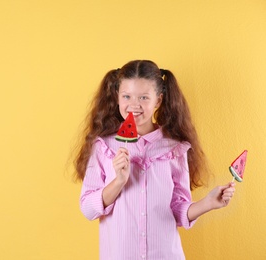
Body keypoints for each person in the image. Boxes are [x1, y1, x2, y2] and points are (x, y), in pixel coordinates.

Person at [73, 60, 236, 260]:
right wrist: (118, 182)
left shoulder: (174, 148)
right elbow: (88, 209)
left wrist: (209, 203)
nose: (134, 105)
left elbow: (178, 210)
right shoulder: (103, 146)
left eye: (144, 97)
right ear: (117, 98)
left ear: (158, 101)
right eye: (127, 96)